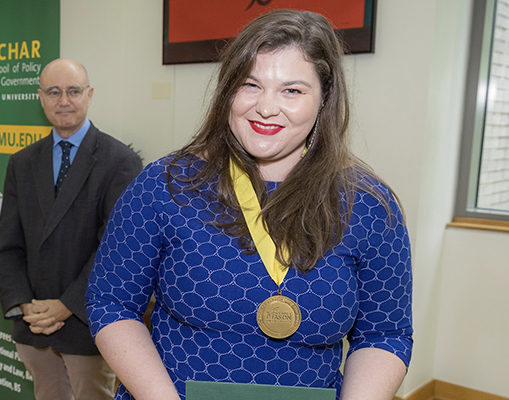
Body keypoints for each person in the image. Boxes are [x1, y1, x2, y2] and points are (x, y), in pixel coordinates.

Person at [86, 9, 412, 400]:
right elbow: (111, 302)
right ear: (228, 90)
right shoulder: (165, 186)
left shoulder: (369, 206)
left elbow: (386, 333)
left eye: (292, 90)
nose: (266, 107)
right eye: (250, 85)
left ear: (324, 100)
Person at [0, 58, 143, 400]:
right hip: (34, 326)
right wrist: (24, 305)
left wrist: (66, 305)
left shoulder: (120, 162)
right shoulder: (21, 162)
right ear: (41, 98)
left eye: (73, 91)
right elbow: (9, 246)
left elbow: (115, 251)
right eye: (54, 92)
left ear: (89, 95)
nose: (64, 101)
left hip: (85, 324)